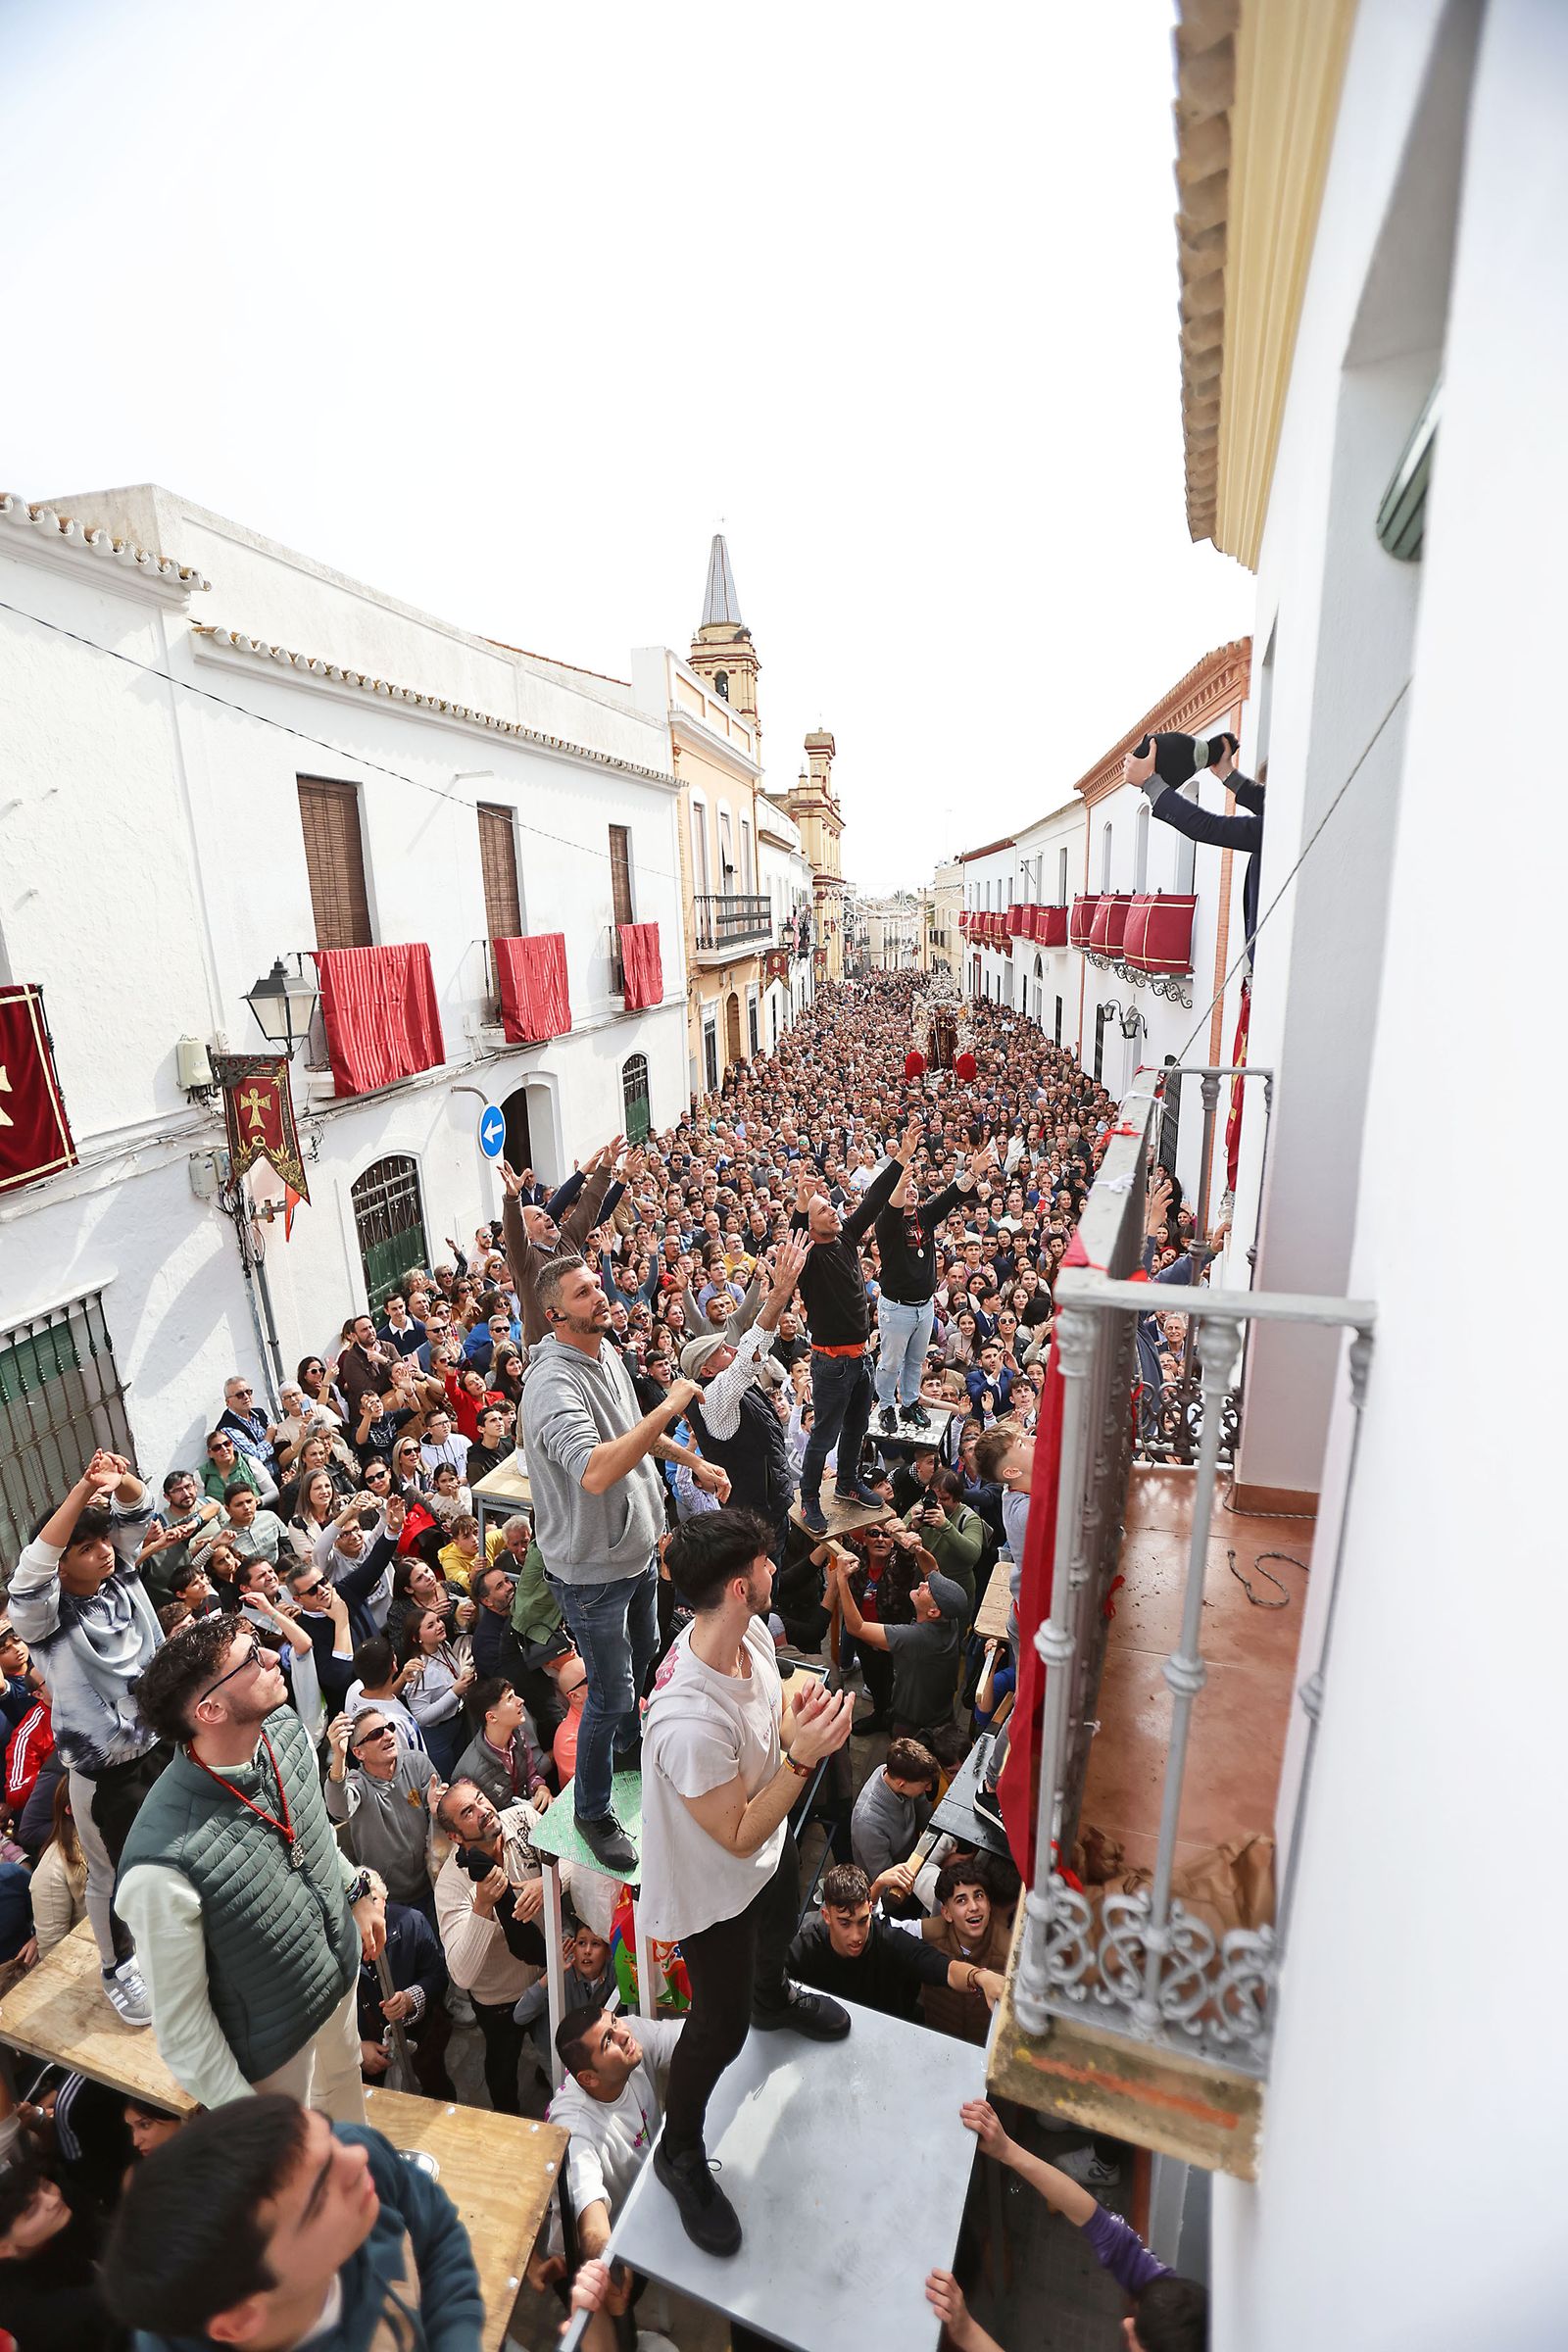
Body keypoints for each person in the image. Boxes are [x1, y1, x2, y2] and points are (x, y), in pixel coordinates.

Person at [639, 1507, 855, 2256]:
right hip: (713, 1889)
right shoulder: (688, 1722)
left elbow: (778, 1701)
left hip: (766, 1849)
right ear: (740, 1585)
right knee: (718, 2028)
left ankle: (774, 1998)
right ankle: (679, 2152)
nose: (774, 1569)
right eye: (766, 1562)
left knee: (780, 1926)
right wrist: (804, 1756)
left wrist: (801, 1714)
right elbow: (734, 1834)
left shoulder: (748, 1634)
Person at [116, 1617, 386, 2118]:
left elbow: (310, 1831)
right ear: (210, 1710)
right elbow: (184, 2031)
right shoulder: (162, 1863)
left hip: (338, 1980)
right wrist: (257, 2128)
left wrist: (355, 1888)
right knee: (301, 2154)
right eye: (250, 1659)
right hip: (274, 2051)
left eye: (258, 1645)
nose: (272, 1657)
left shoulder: (283, 1730)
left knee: (348, 2102)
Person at [522, 1253, 723, 1874]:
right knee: (609, 1697)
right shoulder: (552, 1385)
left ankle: (630, 1752)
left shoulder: (605, 1353)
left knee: (646, 1653)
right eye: (583, 1293)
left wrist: (693, 1462)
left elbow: (631, 1433)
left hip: (635, 1557)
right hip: (593, 1576)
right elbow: (595, 1469)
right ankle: (592, 1810)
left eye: (597, 1285)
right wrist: (672, 1405)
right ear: (556, 1315)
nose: (600, 1296)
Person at [101, 2091, 484, 2352]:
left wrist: (458, 2337)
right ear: (241, 2319)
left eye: (325, 2129)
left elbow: (437, 2235)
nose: (357, 2158)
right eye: (319, 2197)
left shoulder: (344, 2153)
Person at [9, 1451, 160, 2025]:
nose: (103, 1552)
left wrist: (117, 1479)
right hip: (104, 1773)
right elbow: (29, 1574)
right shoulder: (44, 1619)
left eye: (103, 1542)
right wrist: (79, 1491)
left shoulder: (119, 1575)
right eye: (85, 1548)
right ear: (62, 1563)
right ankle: (119, 1966)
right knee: (112, 1874)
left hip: (161, 1746)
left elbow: (138, 1508)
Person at [925, 2098, 1207, 2352]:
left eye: (1138, 2339)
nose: (1126, 2324)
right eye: (1138, 2317)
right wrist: (1007, 2150)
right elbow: (1092, 2217)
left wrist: (966, 2332)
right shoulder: (1165, 2293)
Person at [789, 1122, 918, 1533]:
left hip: (861, 1358)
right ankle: (811, 1498)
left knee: (858, 1427)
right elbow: (795, 1231)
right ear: (811, 1226)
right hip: (831, 1364)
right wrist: (801, 1202)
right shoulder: (808, 1255)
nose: (834, 1211)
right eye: (824, 1210)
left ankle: (847, 1482)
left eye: (832, 1206)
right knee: (824, 1437)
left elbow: (875, 1198)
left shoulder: (845, 1239)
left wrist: (901, 1156)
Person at [678, 1231, 811, 1562]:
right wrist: (779, 1293)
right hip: (755, 1522)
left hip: (771, 1509)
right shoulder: (713, 1397)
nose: (733, 1349)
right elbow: (751, 1351)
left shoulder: (730, 1385)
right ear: (706, 1370)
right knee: (762, 1583)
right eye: (723, 1350)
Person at [433, 1775, 549, 2114]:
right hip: (500, 2001)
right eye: (468, 1812)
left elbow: (574, 1861)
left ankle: (549, 2078)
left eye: (480, 1799)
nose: (482, 1810)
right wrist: (482, 1907)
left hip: (550, 1975)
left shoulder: (523, 1820)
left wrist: (546, 1885)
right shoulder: (451, 1886)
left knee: (555, 2044)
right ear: (455, 1837)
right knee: (502, 2065)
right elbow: (462, 1974)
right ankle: (507, 2114)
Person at [549, 2002, 684, 2262]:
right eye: (607, 2041)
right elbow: (593, 2227)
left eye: (614, 2020)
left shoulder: (629, 2035)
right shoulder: (573, 2129)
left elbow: (693, 2033)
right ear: (588, 2078)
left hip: (650, 2204)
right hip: (609, 2253)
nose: (623, 2033)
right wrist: (605, 2268)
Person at [873, 1141, 995, 1432]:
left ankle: (910, 1403)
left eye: (914, 1186)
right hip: (897, 1308)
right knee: (890, 1362)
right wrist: (899, 1181)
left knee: (916, 1361)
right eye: (905, 1187)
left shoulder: (925, 1217)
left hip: (924, 1306)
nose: (911, 1189)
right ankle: (886, 1406)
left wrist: (973, 1173)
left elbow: (952, 1195)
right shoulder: (886, 1223)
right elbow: (892, 1206)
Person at [788, 1861, 1004, 2024]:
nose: (856, 1936)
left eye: (863, 1921)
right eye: (845, 1923)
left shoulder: (888, 1939)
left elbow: (942, 1967)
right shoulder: (802, 1943)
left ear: (871, 1909)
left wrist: (979, 1976)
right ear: (826, 1916)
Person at [0, 2070, 120, 2352]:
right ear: (3, 2247)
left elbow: (106, 2234)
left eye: (45, 2186)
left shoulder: (62, 2212)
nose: (51, 2200)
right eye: (32, 2211)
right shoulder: (47, 2314)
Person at [830, 1540, 966, 1740]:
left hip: (913, 1724)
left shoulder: (915, 1638)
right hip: (940, 1712)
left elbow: (856, 1627)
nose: (922, 1583)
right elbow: (931, 1568)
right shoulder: (949, 1618)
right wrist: (916, 1547)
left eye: (929, 1589)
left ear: (933, 1611)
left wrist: (841, 1579)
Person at [323, 1708, 439, 1922]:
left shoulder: (417, 1763)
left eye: (389, 1727)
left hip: (434, 1885)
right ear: (359, 1753)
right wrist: (339, 1757)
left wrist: (438, 1810)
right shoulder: (358, 1782)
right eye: (376, 1734)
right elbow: (339, 1809)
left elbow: (441, 1818)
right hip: (392, 1902)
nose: (387, 1735)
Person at [358, 1895, 454, 2099]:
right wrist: (356, 2050)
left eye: (373, 1899)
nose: (368, 1911)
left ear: (384, 1899)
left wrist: (411, 1999)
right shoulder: (334, 1944)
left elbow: (438, 1977)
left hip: (422, 2041)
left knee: (436, 2090)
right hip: (369, 2061)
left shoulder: (412, 1922)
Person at [918, 1857, 1014, 2044]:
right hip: (935, 2040)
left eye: (979, 1896)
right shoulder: (927, 1934)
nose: (973, 1907)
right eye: (961, 1900)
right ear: (946, 1913)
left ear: (989, 1904)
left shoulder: (1011, 1952)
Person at [850, 1736, 940, 1890]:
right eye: (924, 1785)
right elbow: (886, 1881)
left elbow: (927, 1817)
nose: (929, 1789)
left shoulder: (895, 1774)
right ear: (901, 1784)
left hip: (913, 1863)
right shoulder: (867, 1823)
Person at [453, 1675, 551, 1813]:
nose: (520, 1701)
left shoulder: (518, 1736)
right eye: (510, 1698)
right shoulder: (469, 1775)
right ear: (492, 1717)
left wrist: (540, 1788)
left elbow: (531, 1776)